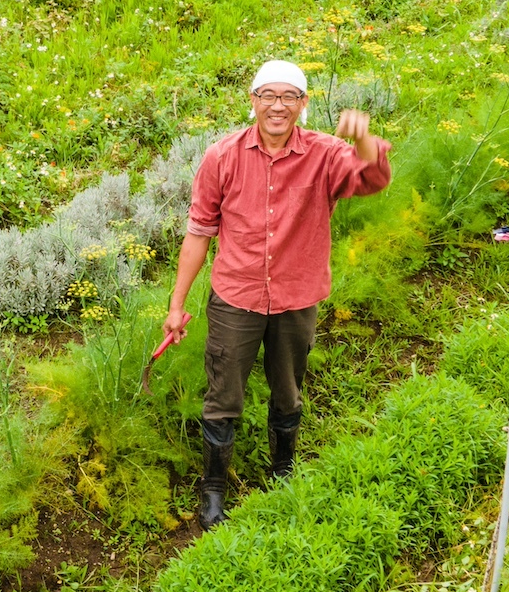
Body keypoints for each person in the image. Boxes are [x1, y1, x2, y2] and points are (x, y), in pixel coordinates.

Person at [165, 59, 392, 528]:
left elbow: (373, 177)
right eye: (268, 95)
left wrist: (364, 137)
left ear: (303, 105)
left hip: (296, 298)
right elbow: (199, 233)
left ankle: (283, 469)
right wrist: (176, 305)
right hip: (235, 298)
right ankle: (213, 489)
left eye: (289, 97)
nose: (277, 106)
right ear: (253, 101)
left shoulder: (327, 154)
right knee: (222, 395)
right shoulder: (221, 157)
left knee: (288, 392)